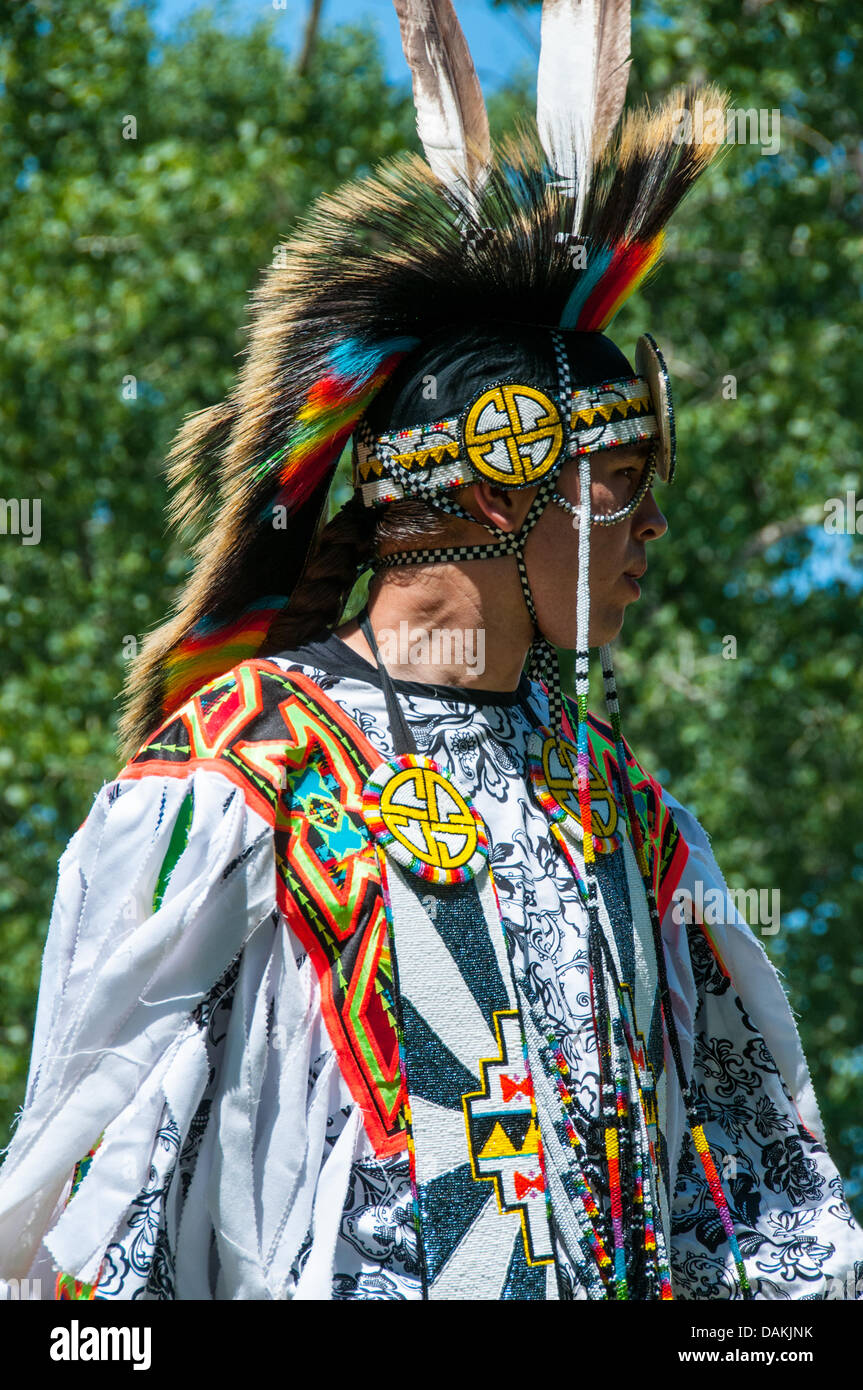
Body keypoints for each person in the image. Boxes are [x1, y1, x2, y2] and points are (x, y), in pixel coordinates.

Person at [1, 0, 861, 1301]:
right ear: (502, 485)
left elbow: (761, 1226)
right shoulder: (241, 780)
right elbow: (87, 1238)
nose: (655, 525)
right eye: (621, 480)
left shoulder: (629, 815)